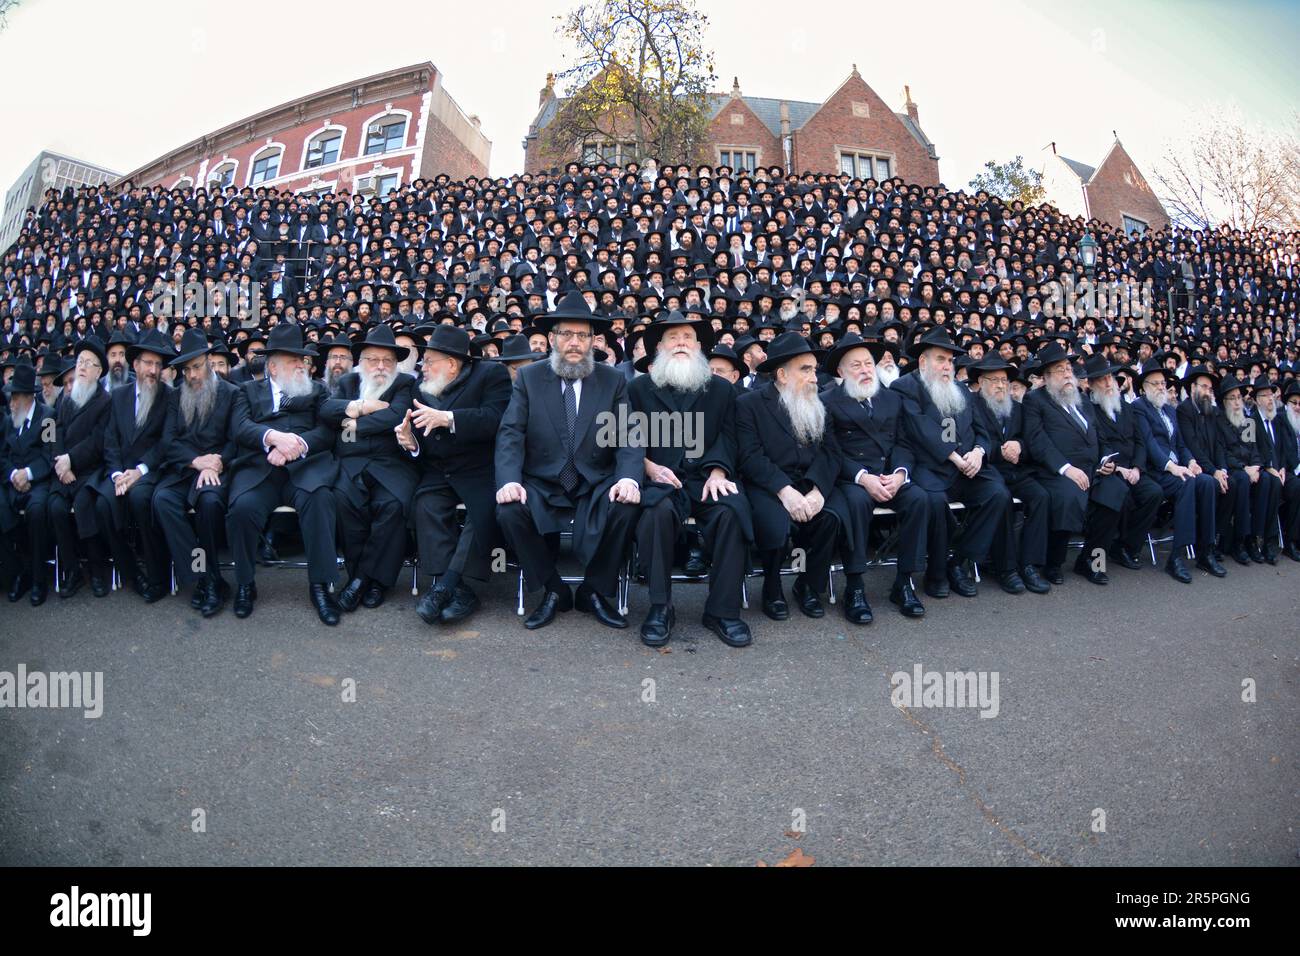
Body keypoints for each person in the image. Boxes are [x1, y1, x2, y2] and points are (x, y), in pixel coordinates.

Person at [494, 291, 643, 630]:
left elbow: (628, 436)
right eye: (566, 334)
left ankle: (594, 589)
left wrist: (628, 479)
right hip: (542, 481)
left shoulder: (613, 379)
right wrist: (509, 481)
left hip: (595, 481)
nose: (574, 342)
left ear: (594, 340)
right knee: (508, 509)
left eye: (582, 335)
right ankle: (552, 589)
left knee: (627, 505)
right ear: (552, 338)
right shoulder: (529, 378)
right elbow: (511, 434)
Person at [630, 311, 753, 647]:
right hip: (659, 476)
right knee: (654, 514)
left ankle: (722, 611)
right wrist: (648, 466)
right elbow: (622, 437)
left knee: (732, 511)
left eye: (688, 337)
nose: (681, 342)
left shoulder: (722, 391)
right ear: (659, 348)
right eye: (673, 338)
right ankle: (660, 606)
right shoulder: (638, 388)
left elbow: (729, 438)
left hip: (705, 476)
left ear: (700, 346)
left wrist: (718, 470)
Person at [227, 323, 341, 624]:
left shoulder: (317, 391)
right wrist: (273, 438)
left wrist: (298, 445)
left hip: (304, 467)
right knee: (241, 508)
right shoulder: (246, 391)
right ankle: (245, 583)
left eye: (303, 360)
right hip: (260, 470)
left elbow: (327, 431)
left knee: (320, 500)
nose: (302, 366)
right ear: (273, 368)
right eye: (294, 361)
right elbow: (240, 428)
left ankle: (320, 586)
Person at [397, 325, 511, 626]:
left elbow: (497, 419)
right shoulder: (419, 388)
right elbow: (421, 434)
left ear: (451, 363)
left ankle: (445, 585)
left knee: (481, 512)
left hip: (480, 469)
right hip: (439, 469)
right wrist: (411, 444)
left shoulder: (490, 375)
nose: (423, 366)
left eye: (430, 360)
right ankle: (460, 591)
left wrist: (449, 418)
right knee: (425, 505)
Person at [891, 327, 1010, 599]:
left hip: (968, 467)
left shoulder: (962, 390)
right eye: (940, 359)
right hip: (931, 466)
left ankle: (959, 562)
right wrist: (955, 455)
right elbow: (919, 429)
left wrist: (979, 452)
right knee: (933, 501)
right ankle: (936, 573)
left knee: (998, 494)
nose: (947, 366)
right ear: (923, 361)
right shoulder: (905, 387)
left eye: (950, 360)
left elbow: (982, 430)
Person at [736, 332, 843, 620]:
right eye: (805, 369)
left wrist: (818, 490)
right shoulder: (749, 404)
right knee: (776, 523)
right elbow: (750, 456)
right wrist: (784, 490)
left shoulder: (820, 403)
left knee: (829, 518)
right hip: (768, 486)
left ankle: (806, 584)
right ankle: (772, 587)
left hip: (810, 484)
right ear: (782, 375)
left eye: (814, 369)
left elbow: (831, 453)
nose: (814, 377)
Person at [821, 332, 928, 620]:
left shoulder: (891, 399)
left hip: (888, 474)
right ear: (841, 372)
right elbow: (829, 452)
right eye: (856, 365)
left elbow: (905, 443)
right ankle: (854, 587)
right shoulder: (827, 401)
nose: (865, 370)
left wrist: (900, 474)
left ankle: (904, 581)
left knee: (919, 498)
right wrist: (862, 477)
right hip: (851, 478)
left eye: (868, 363)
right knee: (855, 503)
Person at [321, 325, 417, 612]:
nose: (380, 366)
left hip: (392, 464)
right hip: (350, 464)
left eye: (388, 360)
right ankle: (362, 577)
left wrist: (352, 422)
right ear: (361, 362)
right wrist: (363, 405)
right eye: (373, 360)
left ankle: (367, 581)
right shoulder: (348, 383)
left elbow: (396, 416)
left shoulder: (404, 384)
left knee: (392, 507)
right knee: (343, 502)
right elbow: (325, 411)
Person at [153, 328, 240, 618]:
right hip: (186, 469)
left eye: (197, 367)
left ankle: (211, 577)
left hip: (216, 470)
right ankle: (206, 577)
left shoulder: (231, 393)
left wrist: (215, 462)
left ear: (209, 361)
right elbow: (167, 441)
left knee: (210, 502)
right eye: (187, 369)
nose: (192, 375)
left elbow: (236, 439)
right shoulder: (175, 397)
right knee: (162, 499)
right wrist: (195, 461)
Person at [1021, 344, 1125, 585]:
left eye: (1068, 368)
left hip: (1092, 470)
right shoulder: (1035, 401)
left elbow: (1101, 437)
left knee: (1116, 491)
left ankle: (1091, 561)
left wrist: (1105, 460)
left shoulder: (1082, 400)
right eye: (1060, 370)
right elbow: (1037, 442)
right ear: (1046, 377)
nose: (1068, 373)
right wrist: (1067, 469)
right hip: (1055, 472)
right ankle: (1053, 563)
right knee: (1069, 495)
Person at [84, 329, 174, 603]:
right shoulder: (119, 395)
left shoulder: (168, 396)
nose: (153, 370)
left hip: (150, 471)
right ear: (135, 365)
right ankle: (132, 573)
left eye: (158, 365)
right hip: (120, 471)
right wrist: (116, 474)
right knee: (102, 506)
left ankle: (157, 576)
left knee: (139, 499)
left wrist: (140, 471)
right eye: (148, 363)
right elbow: (109, 439)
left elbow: (166, 442)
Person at [966, 353, 1053, 594]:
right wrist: (999, 451)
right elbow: (969, 442)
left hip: (1016, 470)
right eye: (994, 380)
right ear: (981, 382)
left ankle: (1029, 564)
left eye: (1004, 380)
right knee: (1001, 498)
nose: (1000, 385)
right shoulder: (971, 405)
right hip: (986, 471)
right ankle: (1005, 568)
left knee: (1041, 497)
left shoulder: (1018, 407)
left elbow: (1030, 442)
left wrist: (1019, 447)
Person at [1131, 363, 1224, 582]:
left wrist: (1191, 462)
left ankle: (1206, 551)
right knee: (1186, 484)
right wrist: (1173, 467)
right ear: (1143, 388)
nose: (1161, 387)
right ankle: (1176, 557)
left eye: (1163, 383)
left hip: (1178, 468)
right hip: (1156, 470)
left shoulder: (1170, 410)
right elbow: (1150, 444)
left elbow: (1181, 444)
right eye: (1155, 383)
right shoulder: (1138, 407)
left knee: (1208, 482)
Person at [1085, 353, 1163, 572]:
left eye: (1110, 378)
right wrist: (1119, 469)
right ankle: (1099, 556)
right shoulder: (1090, 410)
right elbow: (1099, 444)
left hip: (1134, 469)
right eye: (1102, 379)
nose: (1108, 383)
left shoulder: (1127, 408)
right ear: (1091, 385)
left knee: (1154, 493)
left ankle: (1127, 547)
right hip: (1110, 470)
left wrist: (1137, 468)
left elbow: (1140, 441)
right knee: (1122, 495)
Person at [47, 337, 113, 597]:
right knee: (55, 508)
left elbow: (98, 441)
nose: (83, 367)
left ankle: (97, 570)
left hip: (90, 470)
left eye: (89, 363)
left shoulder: (105, 401)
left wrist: (70, 460)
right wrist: (60, 462)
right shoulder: (66, 400)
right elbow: (54, 433)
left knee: (85, 505)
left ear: (98, 371)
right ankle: (72, 571)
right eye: (80, 362)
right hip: (64, 470)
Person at [1177, 365, 1249, 565]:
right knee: (1210, 484)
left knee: (1233, 483)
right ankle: (1204, 550)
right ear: (1193, 388)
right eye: (1204, 387)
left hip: (1213, 468)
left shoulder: (1213, 411)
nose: (1207, 392)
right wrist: (1214, 471)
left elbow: (1218, 444)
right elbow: (1192, 446)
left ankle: (1219, 540)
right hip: (1195, 467)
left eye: (1210, 389)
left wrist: (1223, 470)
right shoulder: (1184, 410)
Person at [0, 362, 54, 605]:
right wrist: (13, 475)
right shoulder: (7, 421)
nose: (11, 403)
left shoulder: (48, 418)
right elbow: (2, 456)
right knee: (4, 512)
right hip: (13, 482)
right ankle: (20, 570)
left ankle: (38, 578)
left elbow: (49, 455)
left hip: (38, 482)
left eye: (15, 397)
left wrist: (28, 474)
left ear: (27, 397)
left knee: (35, 512)